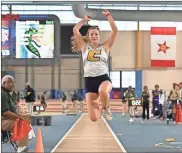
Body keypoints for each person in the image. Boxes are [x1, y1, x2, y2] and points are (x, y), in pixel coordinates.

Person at [71, 10, 118, 121]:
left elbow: (115, 30)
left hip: (103, 78)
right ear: (88, 36)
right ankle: (98, 103)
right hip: (89, 81)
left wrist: (108, 16)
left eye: (96, 34)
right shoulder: (84, 47)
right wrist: (84, 20)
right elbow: (75, 30)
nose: (94, 36)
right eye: (91, 34)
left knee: (102, 91)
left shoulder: (105, 47)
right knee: (94, 118)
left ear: (99, 36)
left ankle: (106, 108)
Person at [1, 75, 30, 152]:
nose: (13, 85)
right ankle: (21, 146)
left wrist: (17, 111)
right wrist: (18, 116)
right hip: (2, 120)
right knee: (22, 122)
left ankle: (22, 143)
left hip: (5, 119)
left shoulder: (6, 93)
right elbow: (5, 112)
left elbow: (10, 107)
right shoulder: (2, 94)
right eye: (11, 83)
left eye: (14, 83)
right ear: (4, 83)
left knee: (24, 119)